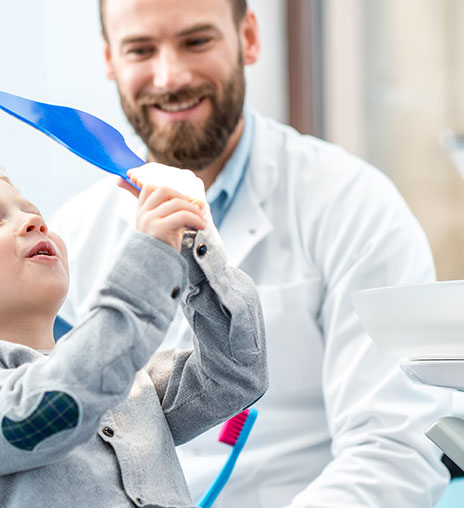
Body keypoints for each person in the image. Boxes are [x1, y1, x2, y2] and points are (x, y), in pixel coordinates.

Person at [50, 0, 453, 506]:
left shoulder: (355, 207)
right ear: (111, 59)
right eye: (140, 49)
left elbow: (396, 449)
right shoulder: (70, 237)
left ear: (250, 38)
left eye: (197, 41)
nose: (170, 76)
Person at [0, 159, 267, 507]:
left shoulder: (126, 381)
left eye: (32, 211)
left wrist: (194, 244)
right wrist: (150, 261)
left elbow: (234, 373)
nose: (33, 221)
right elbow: (51, 409)